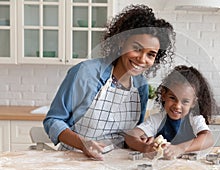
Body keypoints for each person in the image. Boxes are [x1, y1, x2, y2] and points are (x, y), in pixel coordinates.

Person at [43, 4, 175, 160]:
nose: (142, 59)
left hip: (117, 163)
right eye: (137, 48)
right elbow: (53, 120)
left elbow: (129, 137)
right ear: (121, 42)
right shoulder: (86, 73)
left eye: (150, 54)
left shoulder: (141, 87)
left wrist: (144, 145)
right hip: (74, 160)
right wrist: (83, 143)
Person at [125, 65, 218, 159]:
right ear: (164, 95)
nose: (177, 106)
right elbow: (131, 136)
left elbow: (208, 138)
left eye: (185, 101)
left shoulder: (194, 119)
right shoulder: (157, 120)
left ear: (193, 103)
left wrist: (181, 148)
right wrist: (145, 147)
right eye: (173, 98)